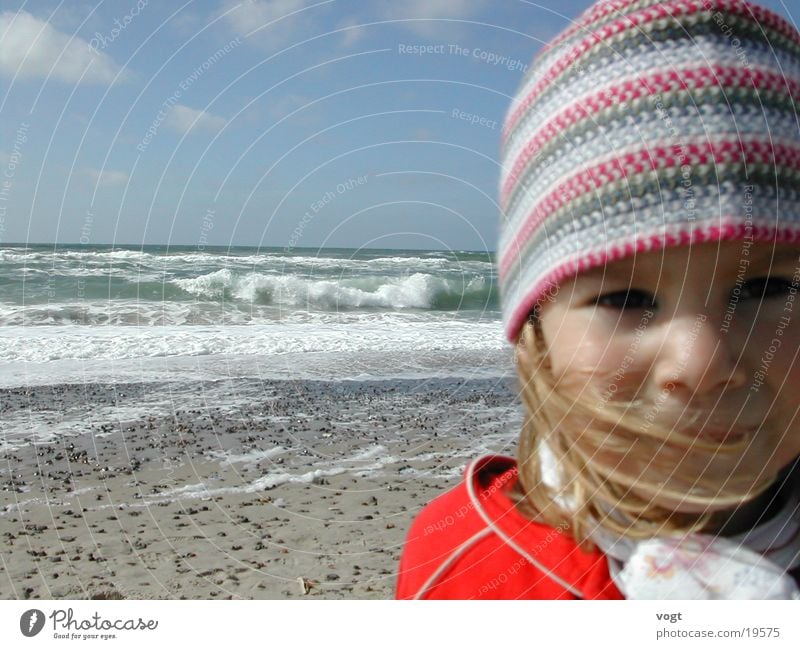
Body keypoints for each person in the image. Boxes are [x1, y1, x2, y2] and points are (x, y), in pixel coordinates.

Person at [395, 0, 800, 599]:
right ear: (536, 334)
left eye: (766, 287)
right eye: (626, 297)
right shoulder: (465, 568)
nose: (701, 363)